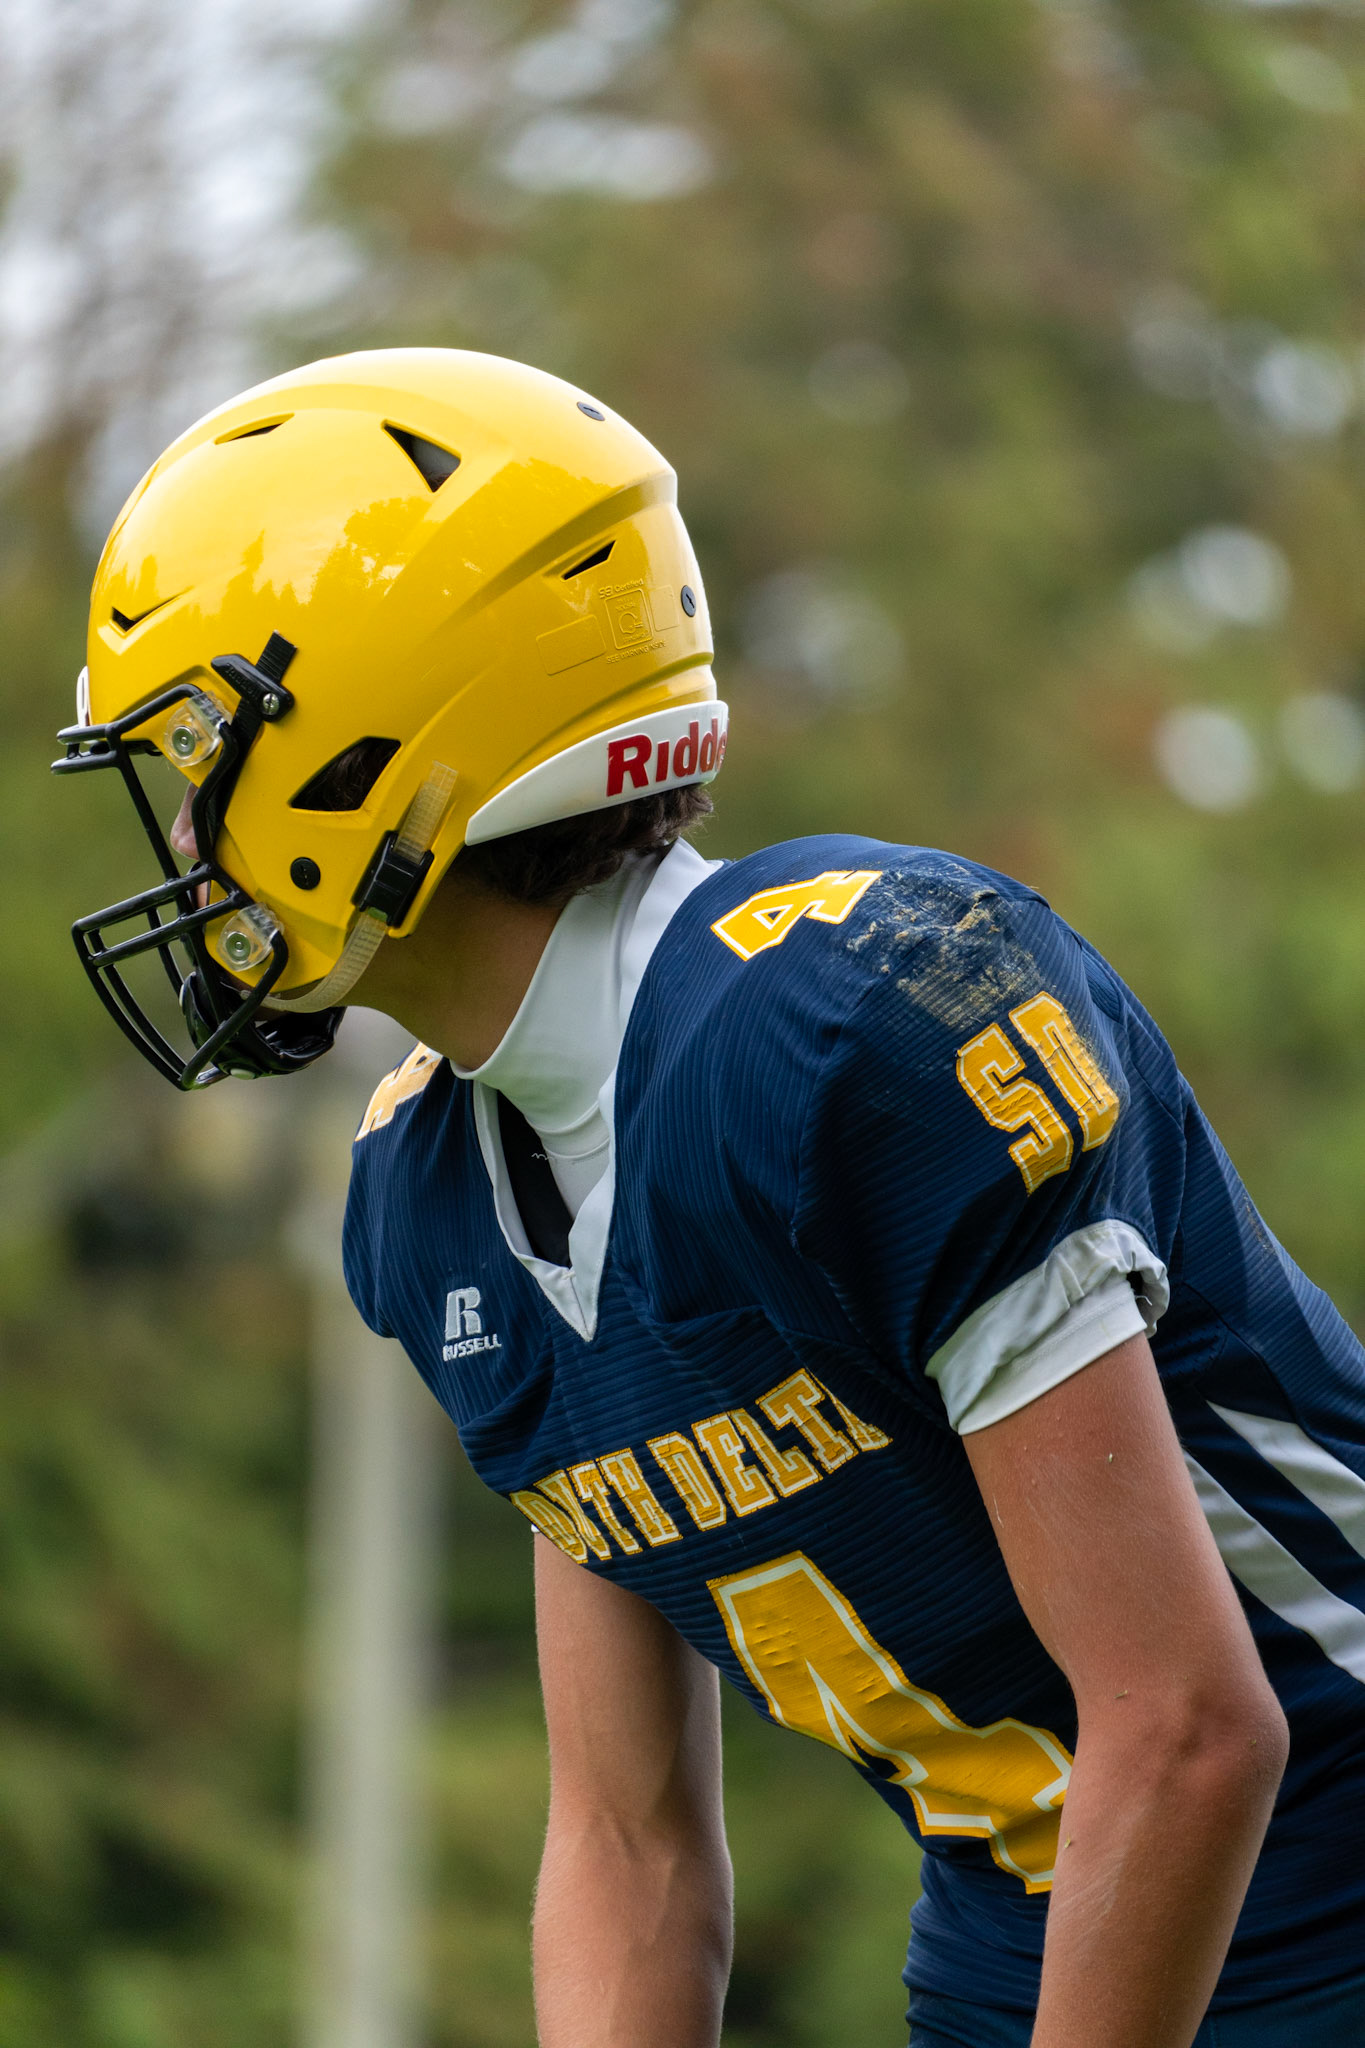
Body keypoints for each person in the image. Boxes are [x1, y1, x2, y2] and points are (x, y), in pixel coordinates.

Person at [55, 348, 1365, 2048]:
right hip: (1026, 1928)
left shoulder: (851, 1028)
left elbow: (1190, 1727)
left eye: (198, 762)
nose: (181, 840)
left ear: (366, 753)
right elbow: (629, 1848)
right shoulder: (432, 1194)